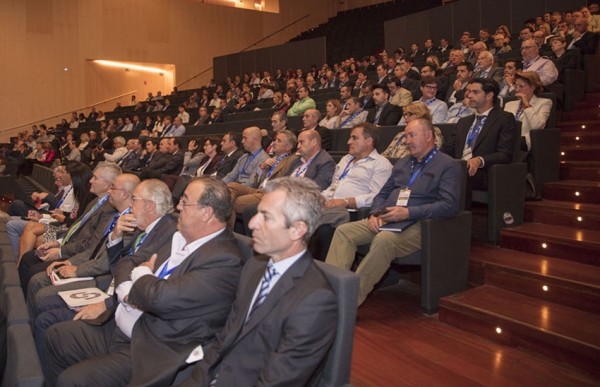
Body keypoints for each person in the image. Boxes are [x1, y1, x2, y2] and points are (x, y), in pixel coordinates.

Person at [42, 177, 244, 387]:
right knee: (56, 336)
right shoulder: (179, 235)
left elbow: (160, 299)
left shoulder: (225, 260)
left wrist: (141, 277)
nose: (178, 207)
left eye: (185, 202)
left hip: (148, 347)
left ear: (207, 212)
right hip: (118, 324)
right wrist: (126, 290)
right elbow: (128, 261)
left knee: (72, 380)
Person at [180, 177, 337, 387]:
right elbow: (225, 339)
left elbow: (277, 381)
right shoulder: (255, 267)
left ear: (297, 230)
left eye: (266, 217)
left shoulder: (315, 301)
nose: (252, 223)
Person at [326, 117, 461, 306]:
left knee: (384, 240)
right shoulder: (404, 163)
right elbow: (382, 194)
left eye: (412, 135)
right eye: (406, 136)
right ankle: (331, 293)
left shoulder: (447, 165)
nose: (407, 141)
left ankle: (347, 301)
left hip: (420, 223)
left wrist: (409, 213)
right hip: (389, 218)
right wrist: (375, 212)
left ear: (429, 136)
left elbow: (449, 205)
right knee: (344, 232)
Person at [18, 162, 120, 292]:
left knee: (34, 269)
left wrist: (61, 251)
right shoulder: (96, 201)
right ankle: (18, 295)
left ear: (108, 184)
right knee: (29, 257)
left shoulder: (108, 210)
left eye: (95, 178)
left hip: (78, 253)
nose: (90, 180)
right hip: (68, 240)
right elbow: (76, 228)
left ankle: (21, 302)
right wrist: (57, 242)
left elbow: (91, 243)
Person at [443, 78, 516, 208]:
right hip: (458, 166)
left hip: (484, 172)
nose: (469, 95)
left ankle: (457, 220)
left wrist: (480, 160)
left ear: (489, 95)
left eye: (475, 92)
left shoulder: (504, 119)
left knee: (458, 172)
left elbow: (505, 154)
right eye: (468, 91)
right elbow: (448, 149)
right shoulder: (464, 122)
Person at [504, 72, 552, 151]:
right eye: (516, 86)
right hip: (507, 140)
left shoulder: (544, 103)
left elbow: (537, 126)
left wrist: (526, 105)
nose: (517, 89)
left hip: (524, 141)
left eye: (521, 86)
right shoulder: (509, 104)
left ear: (532, 87)